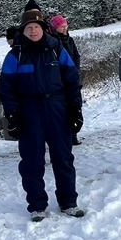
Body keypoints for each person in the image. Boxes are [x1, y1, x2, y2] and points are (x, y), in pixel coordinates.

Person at [0, 4, 84, 222]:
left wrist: (75, 109)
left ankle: (69, 202)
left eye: (36, 27)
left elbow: (72, 81)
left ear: (44, 28)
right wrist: (12, 115)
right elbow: (6, 89)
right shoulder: (14, 56)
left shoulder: (57, 49)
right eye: (29, 28)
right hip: (29, 111)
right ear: (23, 31)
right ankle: (37, 205)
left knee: (63, 158)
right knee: (31, 161)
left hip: (58, 108)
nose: (33, 31)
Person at [50, 14, 83, 146]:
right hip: (59, 79)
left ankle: (73, 133)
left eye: (65, 26)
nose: (64, 29)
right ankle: (65, 135)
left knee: (73, 104)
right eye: (61, 27)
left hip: (72, 76)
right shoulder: (53, 41)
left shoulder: (69, 39)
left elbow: (76, 56)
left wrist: (75, 70)